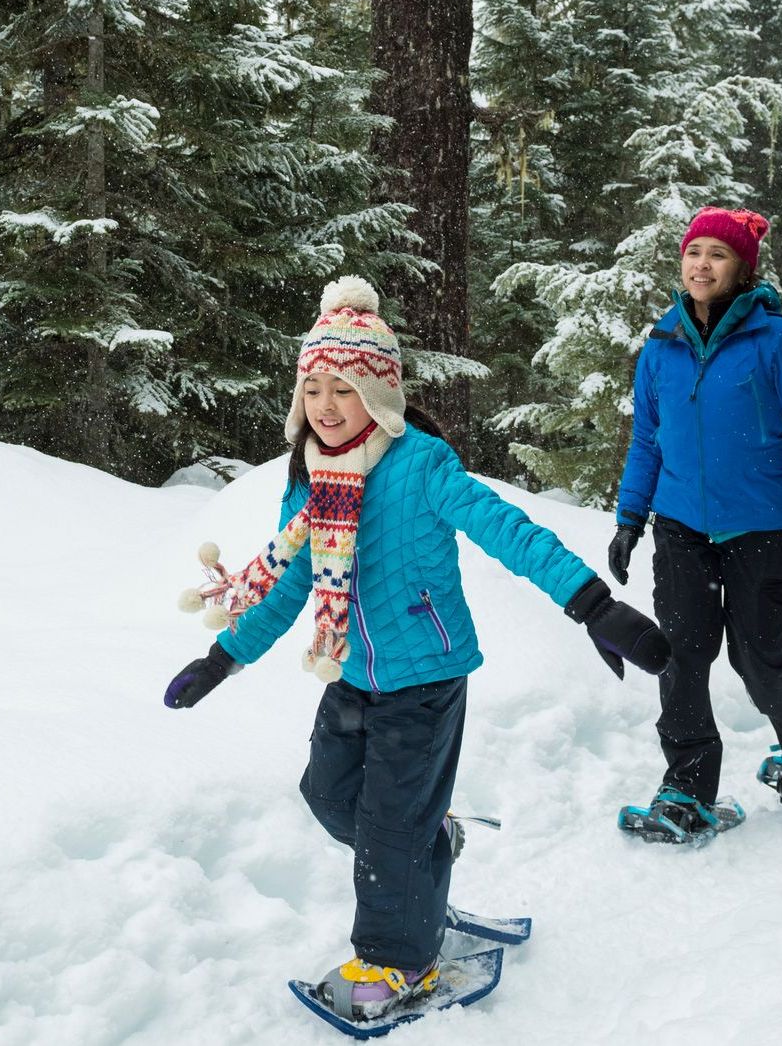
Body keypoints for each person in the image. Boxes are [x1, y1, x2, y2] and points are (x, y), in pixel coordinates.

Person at [163, 276, 670, 1024]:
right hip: (351, 673)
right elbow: (287, 583)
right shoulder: (308, 480)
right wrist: (224, 658)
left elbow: (511, 533)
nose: (327, 407)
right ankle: (431, 844)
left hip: (426, 677)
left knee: (386, 833)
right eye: (314, 391)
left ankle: (400, 960)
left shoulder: (423, 465)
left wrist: (592, 605)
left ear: (379, 393)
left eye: (344, 389)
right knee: (330, 798)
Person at [608, 207, 782, 839]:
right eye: (694, 253)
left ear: (743, 268)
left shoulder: (780, 341)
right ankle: (687, 789)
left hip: (761, 527)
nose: (702, 265)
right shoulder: (662, 345)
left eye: (717, 255)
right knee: (681, 656)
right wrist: (630, 517)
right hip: (681, 525)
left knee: (758, 653)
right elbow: (647, 439)